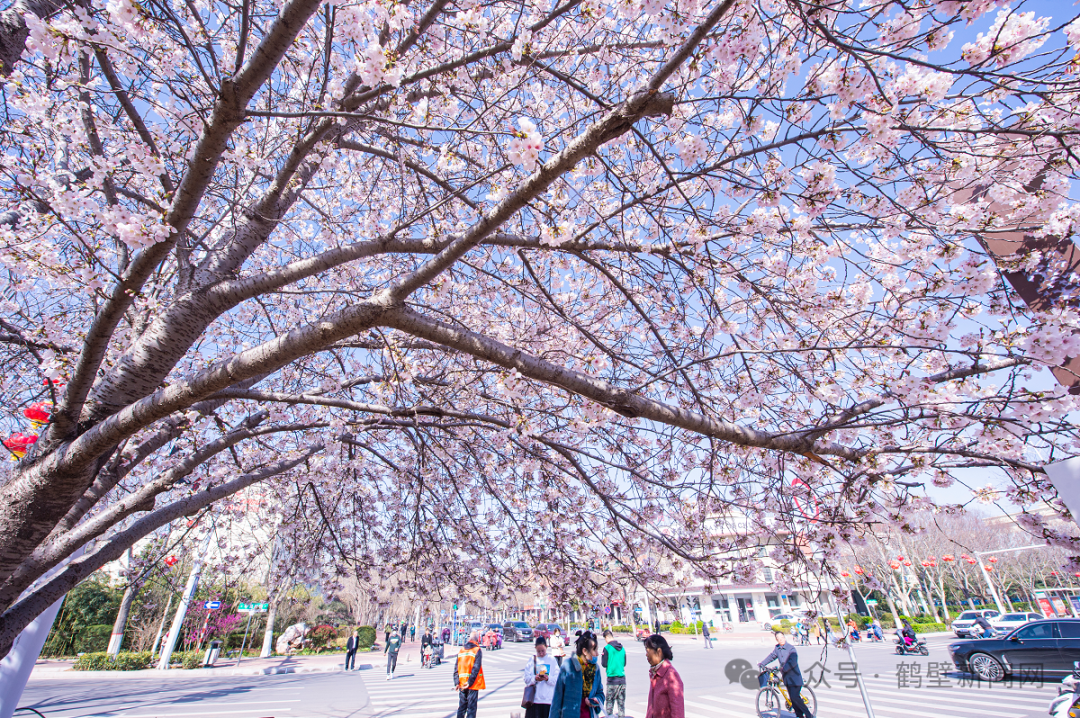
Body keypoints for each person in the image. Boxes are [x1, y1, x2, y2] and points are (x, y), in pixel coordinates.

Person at [550, 631, 605, 718]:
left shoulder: (595, 668)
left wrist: (596, 700)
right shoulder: (568, 666)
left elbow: (600, 692)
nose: (597, 653)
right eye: (594, 650)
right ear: (585, 651)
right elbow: (557, 697)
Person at [759, 630, 811, 718]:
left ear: (784, 637)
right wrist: (762, 663)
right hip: (787, 678)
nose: (781, 639)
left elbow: (793, 662)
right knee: (793, 698)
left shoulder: (791, 649)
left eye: (782, 637)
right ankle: (799, 715)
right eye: (779, 638)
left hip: (795, 677)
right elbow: (771, 656)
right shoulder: (777, 648)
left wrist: (782, 668)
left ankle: (809, 715)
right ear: (776, 640)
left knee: (795, 697)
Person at [644, 634, 684, 718]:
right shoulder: (654, 673)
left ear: (659, 652)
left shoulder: (671, 676)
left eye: (648, 651)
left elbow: (677, 712)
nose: (646, 655)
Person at [522, 636, 561, 718]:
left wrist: (547, 678)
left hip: (548, 701)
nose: (541, 653)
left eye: (543, 651)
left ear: (547, 647)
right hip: (534, 701)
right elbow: (526, 679)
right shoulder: (532, 660)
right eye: (538, 651)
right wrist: (535, 678)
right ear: (535, 648)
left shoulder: (552, 660)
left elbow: (557, 680)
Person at [454, 631, 486, 718]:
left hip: (462, 683)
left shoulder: (462, 650)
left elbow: (456, 667)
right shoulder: (477, 650)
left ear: (469, 639)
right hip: (472, 684)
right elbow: (476, 668)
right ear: (477, 640)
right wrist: (470, 682)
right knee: (471, 709)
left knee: (462, 707)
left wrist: (457, 682)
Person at [602, 630, 627, 718]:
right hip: (622, 680)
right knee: (621, 706)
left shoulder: (607, 648)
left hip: (612, 680)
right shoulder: (622, 648)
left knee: (609, 706)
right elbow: (624, 663)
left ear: (606, 637)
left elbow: (604, 664)